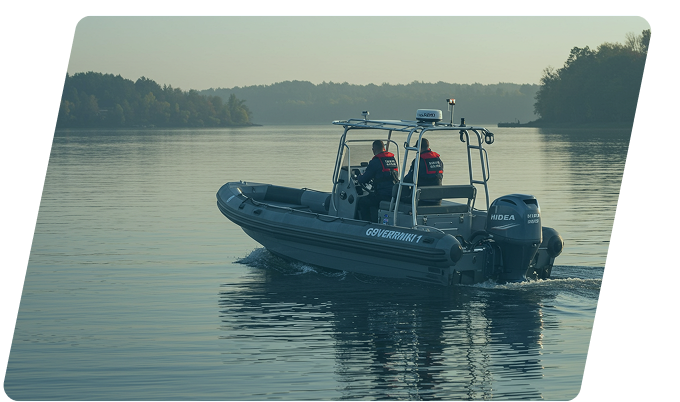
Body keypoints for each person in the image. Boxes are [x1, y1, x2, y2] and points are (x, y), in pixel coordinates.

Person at [355, 140, 399, 221]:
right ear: (384, 148)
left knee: (362, 202)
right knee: (371, 197)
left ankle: (366, 224)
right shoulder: (392, 159)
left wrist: (358, 177)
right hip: (394, 194)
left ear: (374, 150)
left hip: (383, 194)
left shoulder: (375, 162)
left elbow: (363, 179)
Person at [403, 138, 443, 205]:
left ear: (419, 148)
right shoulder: (438, 160)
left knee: (401, 191)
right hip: (437, 199)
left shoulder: (418, 161)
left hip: (422, 199)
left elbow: (409, 179)